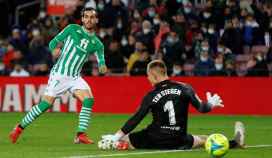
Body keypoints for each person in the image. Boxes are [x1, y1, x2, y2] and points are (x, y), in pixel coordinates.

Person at [9, 7, 107, 144]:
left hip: (75, 77)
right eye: (87, 16)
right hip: (59, 74)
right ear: (83, 19)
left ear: (96, 20)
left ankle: (80, 134)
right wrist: (54, 49)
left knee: (89, 100)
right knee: (45, 105)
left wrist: (102, 67)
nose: (89, 19)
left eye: (92, 17)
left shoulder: (97, 43)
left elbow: (101, 59)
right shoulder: (72, 28)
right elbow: (53, 42)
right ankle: (18, 128)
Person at [99, 60, 245, 150]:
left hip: (153, 138)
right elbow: (202, 109)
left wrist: (117, 136)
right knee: (203, 139)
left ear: (154, 75)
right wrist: (211, 104)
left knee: (123, 139)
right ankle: (235, 143)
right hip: (179, 140)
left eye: (148, 76)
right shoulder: (185, 88)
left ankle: (118, 143)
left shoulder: (151, 95)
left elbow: (136, 118)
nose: (148, 79)